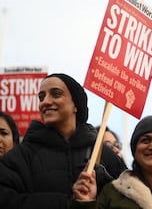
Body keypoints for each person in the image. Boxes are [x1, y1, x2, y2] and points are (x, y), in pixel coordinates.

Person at [0, 73, 126, 208]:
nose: (46, 102)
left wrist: (100, 190)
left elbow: (129, 200)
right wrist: (68, 203)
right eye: (41, 97)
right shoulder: (20, 157)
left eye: (56, 94)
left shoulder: (104, 156)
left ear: (76, 105)